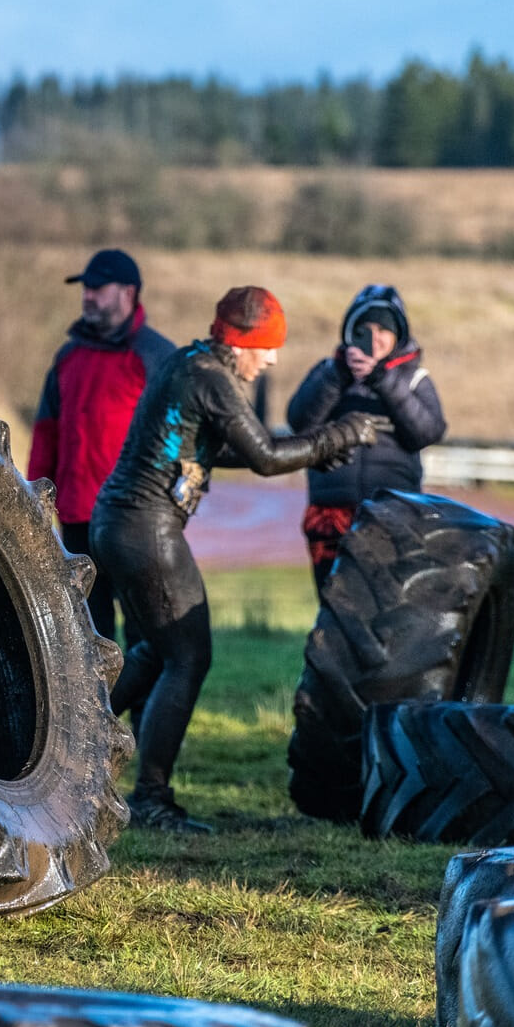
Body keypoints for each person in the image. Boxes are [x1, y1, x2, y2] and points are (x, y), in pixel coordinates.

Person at [92, 287, 384, 833]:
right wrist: (338, 434)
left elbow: (227, 449)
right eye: (268, 347)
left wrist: (318, 445)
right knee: (188, 657)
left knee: (157, 651)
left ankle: (75, 745)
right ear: (244, 342)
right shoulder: (213, 378)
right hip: (145, 527)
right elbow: (269, 458)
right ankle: (151, 798)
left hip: (120, 523)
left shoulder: (189, 362)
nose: (272, 359)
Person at [26, 248, 174, 644]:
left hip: (136, 519)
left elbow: (181, 437)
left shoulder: (158, 356)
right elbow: (46, 432)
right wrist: (34, 500)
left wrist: (172, 506)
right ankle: (98, 708)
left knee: (147, 635)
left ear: (128, 292)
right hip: (77, 519)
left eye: (98, 287)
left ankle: (145, 709)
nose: (88, 295)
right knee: (89, 637)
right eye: (85, 288)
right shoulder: (68, 356)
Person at [286, 284, 446, 593]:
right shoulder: (328, 371)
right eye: (364, 329)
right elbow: (300, 421)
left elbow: (427, 432)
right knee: (334, 602)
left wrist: (383, 381)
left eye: (384, 329)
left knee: (388, 602)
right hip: (330, 514)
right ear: (349, 332)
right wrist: (339, 374)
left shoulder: (414, 379)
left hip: (394, 514)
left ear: (398, 335)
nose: (374, 339)